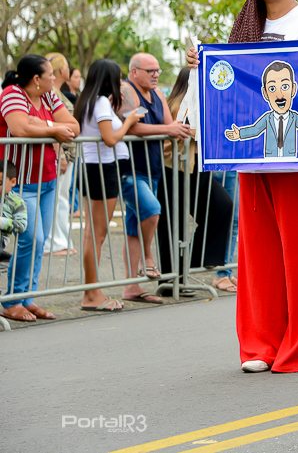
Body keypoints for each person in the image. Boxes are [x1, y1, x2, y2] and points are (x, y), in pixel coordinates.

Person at [192, 0, 298, 373]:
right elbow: (228, 89)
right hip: (254, 162)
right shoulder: (244, 28)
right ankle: (260, 345)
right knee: (259, 259)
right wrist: (204, 66)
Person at [0, 54, 80, 322]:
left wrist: (43, 125)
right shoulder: (13, 94)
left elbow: (74, 126)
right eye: (50, 75)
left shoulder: (49, 96)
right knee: (31, 239)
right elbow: (20, 128)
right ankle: (12, 300)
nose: (54, 78)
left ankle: (27, 297)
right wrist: (53, 128)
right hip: (20, 182)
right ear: (36, 79)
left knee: (39, 241)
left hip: (47, 180)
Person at [119, 53, 193, 304]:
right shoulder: (126, 91)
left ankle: (131, 286)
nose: (155, 75)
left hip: (153, 169)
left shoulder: (158, 94)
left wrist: (178, 129)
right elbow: (133, 127)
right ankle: (148, 256)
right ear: (134, 72)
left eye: (157, 70)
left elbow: (170, 125)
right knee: (152, 210)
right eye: (150, 71)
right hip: (130, 169)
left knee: (133, 228)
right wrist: (168, 129)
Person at [74, 59, 145, 312]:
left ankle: (92, 291)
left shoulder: (87, 100)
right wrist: (129, 121)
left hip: (92, 168)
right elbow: (110, 138)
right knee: (97, 234)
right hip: (102, 170)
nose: (121, 82)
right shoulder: (101, 102)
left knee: (92, 234)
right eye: (118, 77)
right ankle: (91, 293)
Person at [157, 67, 232, 282]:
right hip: (176, 168)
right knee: (173, 223)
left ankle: (193, 263)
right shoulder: (178, 105)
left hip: (194, 166)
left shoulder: (196, 103)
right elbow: (186, 131)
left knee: (221, 207)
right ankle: (173, 277)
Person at [43, 52, 78, 257]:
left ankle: (62, 239)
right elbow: (52, 125)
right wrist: (61, 156)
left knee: (62, 199)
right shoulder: (51, 94)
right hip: (61, 154)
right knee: (57, 199)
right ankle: (54, 242)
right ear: (60, 69)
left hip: (67, 153)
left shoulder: (57, 92)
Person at [0, 161, 27, 250]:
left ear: (13, 181)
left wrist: (2, 222)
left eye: (0, 183)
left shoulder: (17, 201)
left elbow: (21, 225)